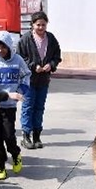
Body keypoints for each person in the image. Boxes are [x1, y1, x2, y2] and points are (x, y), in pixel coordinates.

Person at [0, 31, 31, 180]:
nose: (0, 50)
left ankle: (15, 153)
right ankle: (1, 166)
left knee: (9, 135)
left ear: (9, 47)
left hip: (9, 105)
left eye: (3, 47)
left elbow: (26, 75)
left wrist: (20, 91)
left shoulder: (18, 60)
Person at [16, 11, 62, 149]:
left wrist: (51, 65)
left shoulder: (51, 39)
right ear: (32, 25)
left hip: (43, 80)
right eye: (38, 25)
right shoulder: (25, 39)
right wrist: (32, 65)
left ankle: (37, 135)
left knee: (39, 107)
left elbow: (57, 56)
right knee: (28, 107)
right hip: (29, 80)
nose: (41, 28)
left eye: (43, 25)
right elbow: (19, 57)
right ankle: (26, 135)